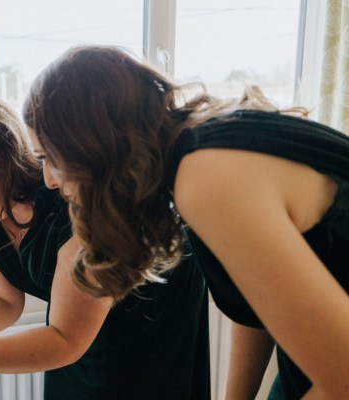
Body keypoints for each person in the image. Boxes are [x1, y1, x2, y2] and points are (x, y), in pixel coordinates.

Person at [23, 44, 349, 399]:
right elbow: (262, 302)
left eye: (49, 158)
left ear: (91, 144)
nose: (50, 180)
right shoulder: (196, 149)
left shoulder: (204, 177)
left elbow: (342, 378)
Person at [0, 89, 210, 400]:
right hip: (73, 338)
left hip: (149, 334)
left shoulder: (74, 207)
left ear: (5, 162)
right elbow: (1, 299)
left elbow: (66, 340)